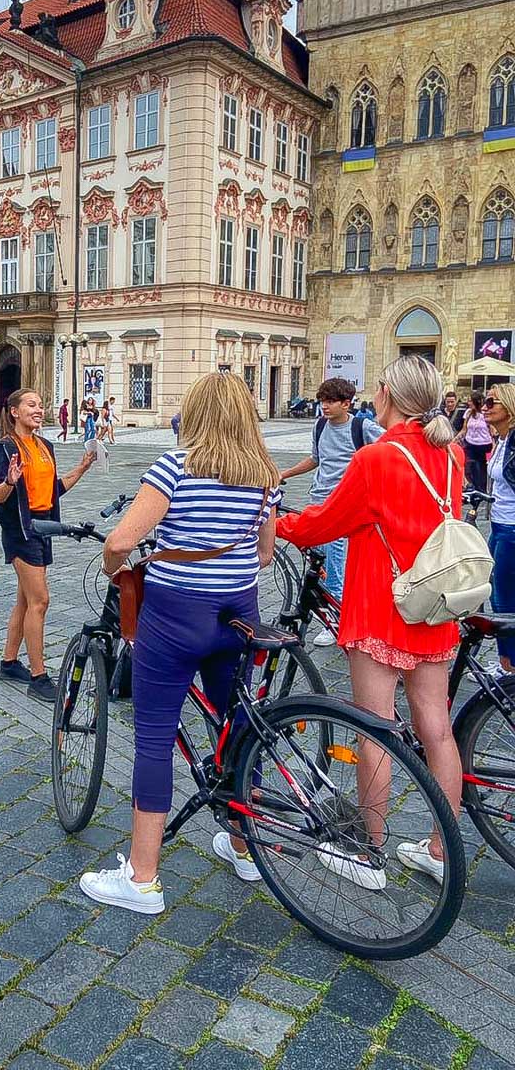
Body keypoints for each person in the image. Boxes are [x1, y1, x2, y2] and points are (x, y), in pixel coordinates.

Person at [80, 373, 280, 911]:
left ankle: (142, 878)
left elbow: (122, 539)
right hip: (239, 612)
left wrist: (112, 567)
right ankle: (244, 846)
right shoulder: (264, 474)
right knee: (238, 727)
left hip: (174, 615)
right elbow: (265, 554)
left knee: (153, 737)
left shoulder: (175, 467)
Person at [278, 355, 464, 885]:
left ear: (387, 394)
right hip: (434, 605)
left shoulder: (378, 457)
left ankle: (369, 849)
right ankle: (440, 847)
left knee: (373, 731)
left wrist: (278, 522)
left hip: (382, 606)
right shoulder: (450, 454)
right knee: (436, 728)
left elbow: (325, 523)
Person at [0, 388, 95, 702]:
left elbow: (53, 490)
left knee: (25, 600)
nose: (39, 409)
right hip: (21, 530)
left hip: (44, 526)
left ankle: (9, 663)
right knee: (41, 601)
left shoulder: (45, 445)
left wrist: (83, 468)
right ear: (14, 412)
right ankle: (38, 675)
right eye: (31, 405)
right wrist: (8, 481)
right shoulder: (5, 449)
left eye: (40, 404)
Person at [280, 377, 384, 646]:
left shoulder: (363, 427)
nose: (324, 406)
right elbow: (315, 459)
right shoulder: (321, 425)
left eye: (330, 402)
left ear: (346, 403)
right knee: (320, 561)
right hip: (318, 500)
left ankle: (336, 620)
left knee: (333, 562)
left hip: (344, 506)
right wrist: (286, 473)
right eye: (322, 401)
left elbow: (389, 451)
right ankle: (334, 613)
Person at [485, 384, 515, 672]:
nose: (485, 406)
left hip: (511, 528)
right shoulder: (503, 439)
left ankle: (510, 668)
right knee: (498, 595)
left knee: (505, 600)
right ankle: (508, 662)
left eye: (492, 402)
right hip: (499, 523)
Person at [459, 392, 493, 507]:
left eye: (470, 400)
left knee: (481, 467)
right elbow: (464, 429)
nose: (468, 402)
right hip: (470, 442)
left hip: (484, 444)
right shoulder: (468, 413)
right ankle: (474, 487)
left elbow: (492, 430)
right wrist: (455, 439)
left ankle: (481, 489)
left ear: (476, 402)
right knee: (471, 466)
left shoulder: (485, 414)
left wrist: (494, 445)